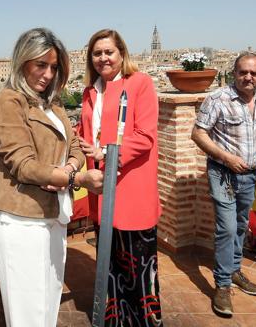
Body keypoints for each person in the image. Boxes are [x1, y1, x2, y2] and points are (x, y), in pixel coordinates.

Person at [0, 27, 103, 327]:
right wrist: (77, 180)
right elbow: (23, 165)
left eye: (53, 67)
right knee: (28, 310)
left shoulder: (52, 102)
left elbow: (75, 145)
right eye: (41, 65)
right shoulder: (9, 101)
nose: (48, 74)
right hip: (22, 217)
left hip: (53, 213)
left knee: (48, 299)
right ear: (23, 61)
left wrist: (65, 172)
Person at [77, 29, 163, 326]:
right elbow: (84, 131)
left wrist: (106, 153)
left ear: (121, 54)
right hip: (103, 189)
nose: (103, 58)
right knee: (110, 264)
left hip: (131, 188)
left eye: (108, 52)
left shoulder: (140, 84)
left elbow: (145, 136)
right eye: (97, 53)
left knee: (138, 268)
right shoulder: (90, 91)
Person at [191, 52, 256, 317]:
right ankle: (223, 285)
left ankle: (234, 270)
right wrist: (226, 158)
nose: (248, 77)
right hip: (223, 174)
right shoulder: (218, 99)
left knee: (241, 225)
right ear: (234, 73)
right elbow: (197, 133)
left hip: (251, 174)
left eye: (253, 73)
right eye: (243, 72)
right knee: (226, 228)